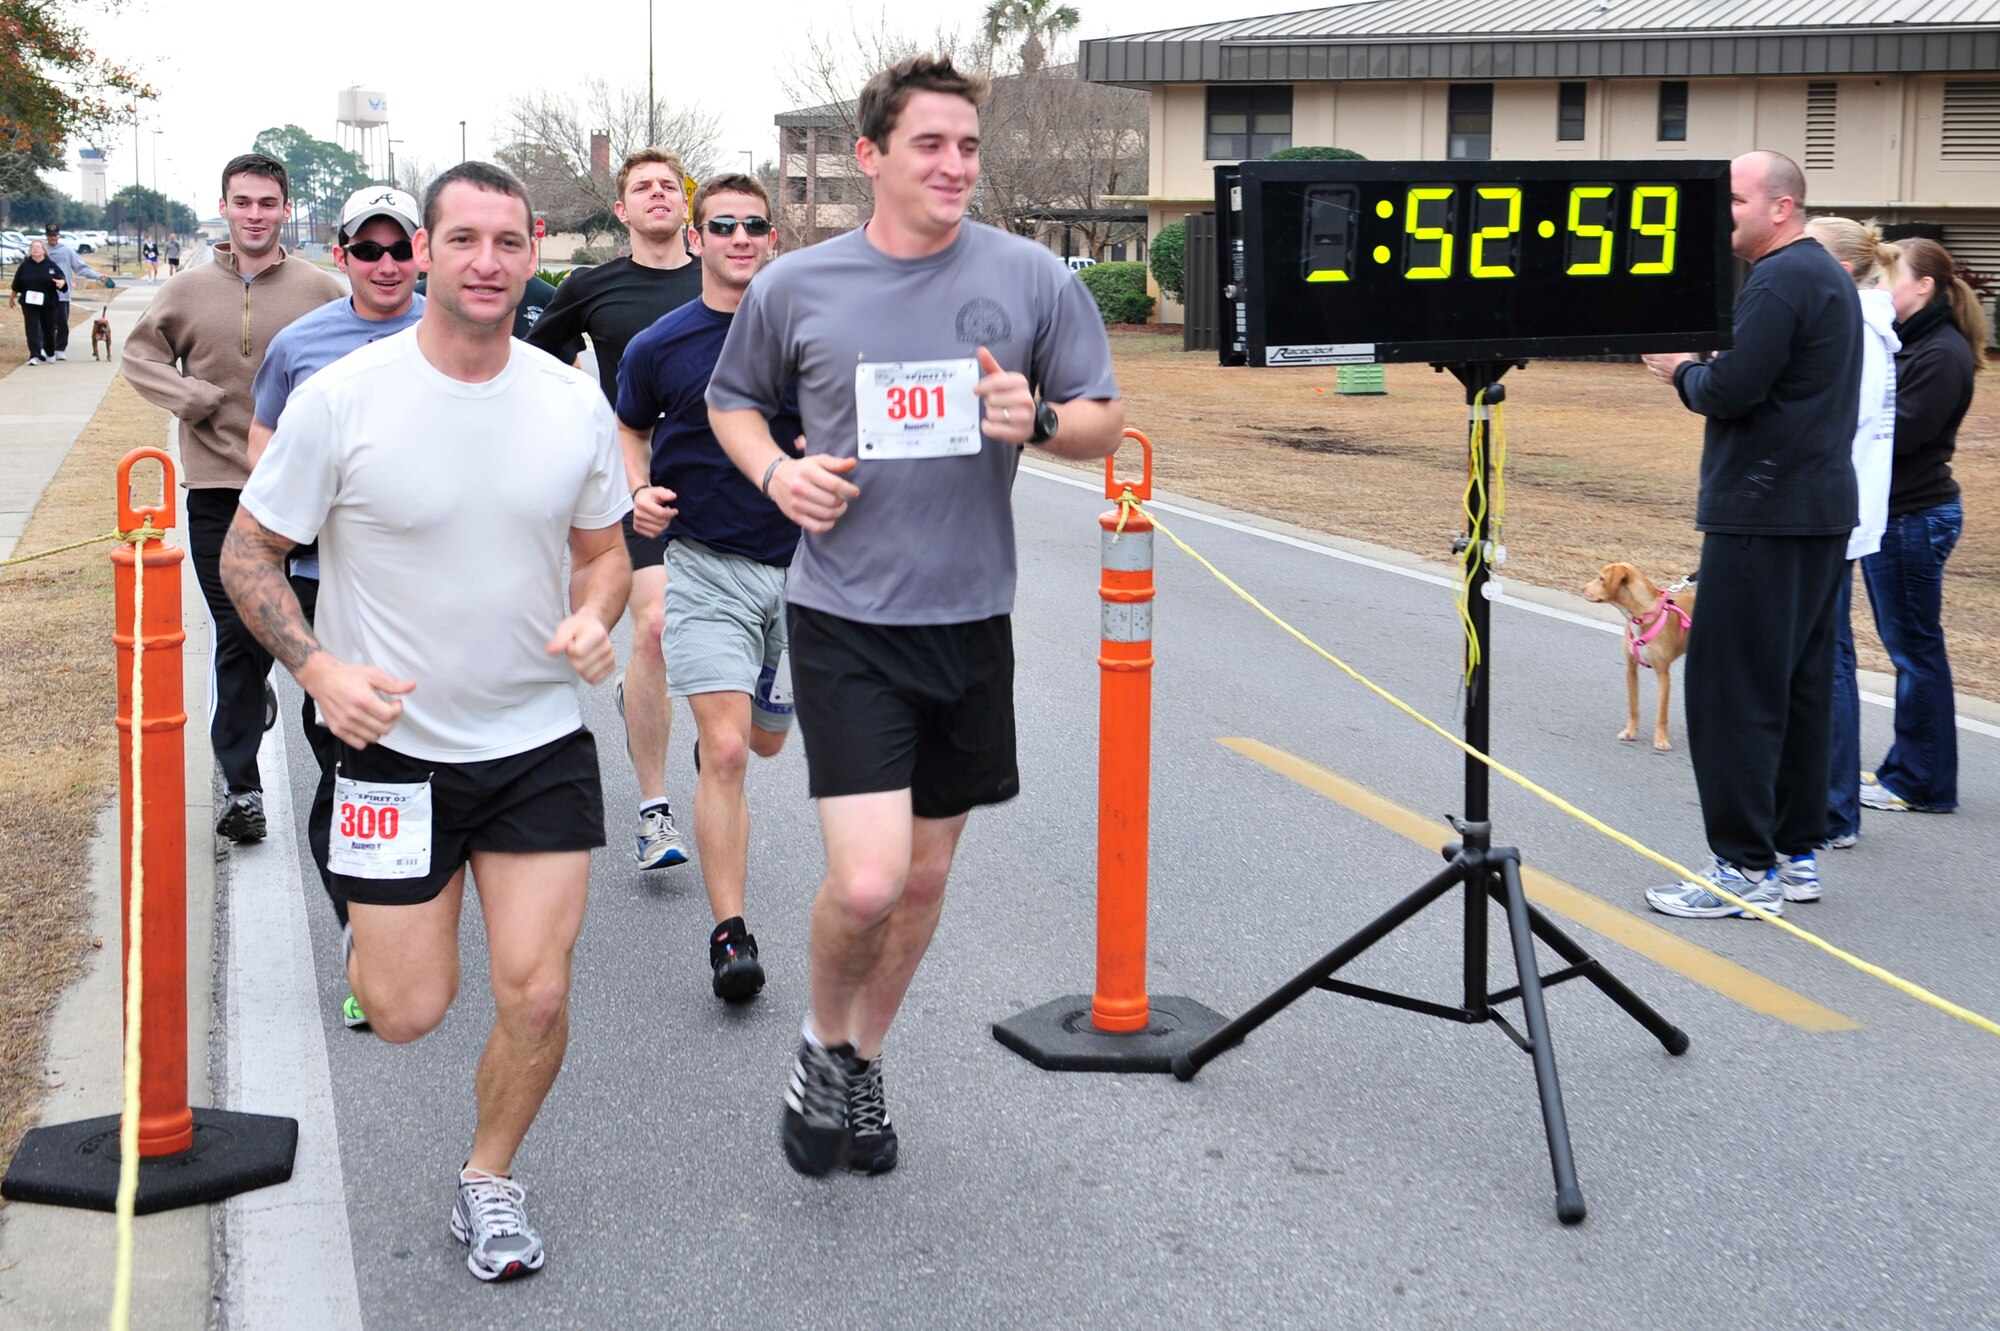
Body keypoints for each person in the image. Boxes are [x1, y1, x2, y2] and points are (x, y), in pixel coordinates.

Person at [707, 54, 1125, 1175]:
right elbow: (732, 400)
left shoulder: (1034, 278)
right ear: (871, 156)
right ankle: (814, 1041)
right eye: (930, 144)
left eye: (967, 147)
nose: (954, 165)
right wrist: (773, 477)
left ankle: (861, 1056)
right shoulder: (798, 286)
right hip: (843, 617)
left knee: (927, 879)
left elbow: (1099, 418)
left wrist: (1034, 417)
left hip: (969, 619)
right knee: (867, 878)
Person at [221, 161, 630, 1283]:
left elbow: (604, 554)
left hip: (537, 738)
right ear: (430, 253)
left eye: (508, 242)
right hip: (389, 748)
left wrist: (596, 619)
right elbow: (247, 551)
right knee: (403, 1011)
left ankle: (488, 1176)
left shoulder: (565, 400)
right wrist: (314, 669)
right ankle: (378, 926)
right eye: (464, 241)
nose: (486, 262)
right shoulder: (345, 396)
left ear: (532, 250)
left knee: (537, 988)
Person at [1639, 150, 1861, 921]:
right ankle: (1796, 854)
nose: (1721, 213)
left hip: (1764, 515)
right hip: (1815, 511)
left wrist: (1682, 370)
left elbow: (1734, 388)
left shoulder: (1782, 278)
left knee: (1732, 691)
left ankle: (1742, 865)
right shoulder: (1824, 276)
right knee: (1798, 687)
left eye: (1734, 199)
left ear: (1782, 206)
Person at [246, 184, 427, 1032]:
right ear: (343, 255)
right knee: (350, 758)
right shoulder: (301, 344)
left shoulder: (459, 327)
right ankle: (363, 937)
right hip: (327, 585)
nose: (386, 265)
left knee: (439, 753)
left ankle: (422, 907)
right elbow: (266, 453)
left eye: (400, 248)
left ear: (420, 250)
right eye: (368, 249)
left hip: (433, 586)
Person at [122, 153, 344, 844]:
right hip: (220, 489)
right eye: (243, 202)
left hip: (304, 497)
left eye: (267, 202)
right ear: (224, 206)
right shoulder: (187, 290)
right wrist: (193, 400)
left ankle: (344, 784)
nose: (254, 214)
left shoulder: (321, 289)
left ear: (285, 208)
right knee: (241, 633)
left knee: (311, 637)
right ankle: (242, 786)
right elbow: (140, 355)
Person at [616, 173, 801, 1002]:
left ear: (771, 240)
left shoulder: (811, 337)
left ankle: (739, 712)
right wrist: (637, 487)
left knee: (764, 743)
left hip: (805, 575)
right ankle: (731, 934)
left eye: (752, 225)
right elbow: (631, 423)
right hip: (705, 566)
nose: (737, 236)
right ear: (695, 239)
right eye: (720, 224)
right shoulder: (660, 344)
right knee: (727, 752)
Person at [529, 149, 703, 873]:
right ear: (622, 210)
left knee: (749, 654)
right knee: (656, 628)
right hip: (636, 488)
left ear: (687, 206)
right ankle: (655, 813)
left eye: (670, 185)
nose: (657, 195)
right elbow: (529, 366)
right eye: (642, 187)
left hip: (735, 489)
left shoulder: (727, 276)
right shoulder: (591, 288)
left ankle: (713, 697)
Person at [1859, 237, 1986, 815]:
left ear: (1924, 287)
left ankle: (1921, 781)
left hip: (1914, 516)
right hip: (1902, 515)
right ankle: (1909, 771)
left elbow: (1899, 435)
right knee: (1911, 649)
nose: (1881, 289)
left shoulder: (1940, 353)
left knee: (1915, 653)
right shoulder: (1915, 343)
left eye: (1889, 278)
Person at [1803, 215, 1900, 861]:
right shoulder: (1863, 325)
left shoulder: (1857, 332)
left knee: (1828, 661)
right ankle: (1826, 801)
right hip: (1843, 508)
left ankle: (1833, 807)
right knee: (1824, 656)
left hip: (1833, 513)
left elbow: (1840, 419)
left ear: (1836, 267)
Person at [41, 223, 105, 360]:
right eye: (50, 235)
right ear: (46, 236)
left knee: (62, 322)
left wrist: (99, 276)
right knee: (46, 323)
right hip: (45, 294)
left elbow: (81, 268)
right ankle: (46, 348)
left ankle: (60, 348)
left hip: (62, 294)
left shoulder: (67, 251)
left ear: (58, 236)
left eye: (54, 235)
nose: (52, 238)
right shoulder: (42, 250)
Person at [9, 238, 68, 364]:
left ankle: (50, 351)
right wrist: (12, 297)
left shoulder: (51, 265)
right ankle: (34, 355)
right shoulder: (24, 266)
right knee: (32, 328)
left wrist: (61, 283)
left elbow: (62, 280)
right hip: (29, 303)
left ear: (44, 250)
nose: (35, 249)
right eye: (33, 247)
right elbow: (17, 284)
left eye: (38, 247)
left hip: (48, 302)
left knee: (48, 328)